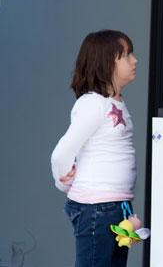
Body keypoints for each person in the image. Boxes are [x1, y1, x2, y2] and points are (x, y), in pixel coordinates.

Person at [51, 30, 138, 267]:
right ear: (106, 63)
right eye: (127, 55)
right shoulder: (93, 104)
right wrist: (63, 182)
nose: (134, 60)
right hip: (96, 208)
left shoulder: (116, 102)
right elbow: (62, 151)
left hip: (116, 206)